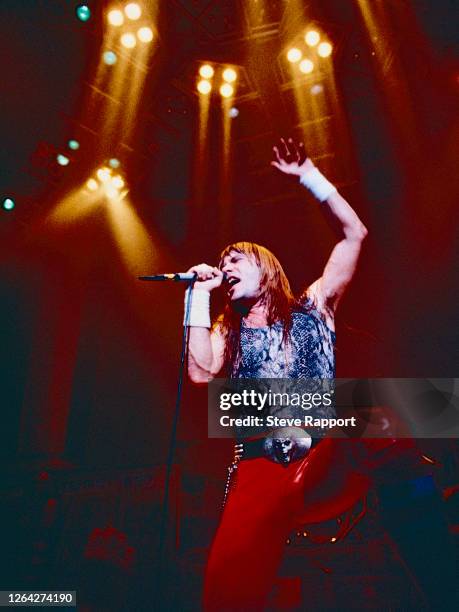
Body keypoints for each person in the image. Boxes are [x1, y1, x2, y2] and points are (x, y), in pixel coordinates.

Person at [183, 139, 455, 610]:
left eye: (236, 260)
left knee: (376, 412)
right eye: (222, 263)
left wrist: (310, 175)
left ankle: (444, 580)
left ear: (266, 269)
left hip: (327, 452)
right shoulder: (228, 328)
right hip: (264, 462)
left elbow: (355, 235)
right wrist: (196, 296)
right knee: (227, 589)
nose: (225, 267)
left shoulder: (313, 305)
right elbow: (201, 375)